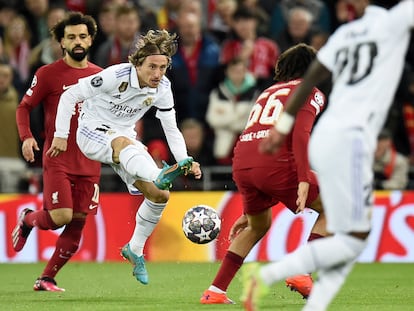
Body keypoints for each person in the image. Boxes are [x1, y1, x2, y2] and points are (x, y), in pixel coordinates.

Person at [243, 1, 414, 311]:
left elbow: (310, 78)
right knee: (353, 236)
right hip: (353, 137)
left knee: (353, 235)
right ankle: (273, 273)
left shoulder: (346, 33)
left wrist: (281, 127)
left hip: (328, 136)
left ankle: (310, 298)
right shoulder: (398, 19)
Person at [49, 29, 202, 285]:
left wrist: (185, 158)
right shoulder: (114, 76)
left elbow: (171, 126)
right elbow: (69, 95)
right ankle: (159, 174)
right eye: (152, 67)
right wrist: (61, 134)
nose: (157, 74)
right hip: (91, 131)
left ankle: (135, 249)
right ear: (137, 63)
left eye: (163, 67)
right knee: (125, 147)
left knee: (159, 194)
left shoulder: (163, 87)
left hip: (125, 140)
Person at [200, 43, 327, 304]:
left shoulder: (267, 91)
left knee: (258, 225)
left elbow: (257, 131)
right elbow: (301, 135)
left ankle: (215, 291)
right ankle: (302, 273)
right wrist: (303, 177)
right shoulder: (310, 91)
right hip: (276, 162)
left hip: (243, 163)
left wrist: (249, 209)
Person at [12, 12, 102, 292]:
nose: (77, 41)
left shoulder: (101, 77)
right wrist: (26, 138)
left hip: (90, 161)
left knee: (77, 224)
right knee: (60, 217)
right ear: (61, 42)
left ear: (90, 40)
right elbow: (24, 107)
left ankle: (47, 278)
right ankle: (28, 218)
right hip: (58, 158)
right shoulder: (48, 74)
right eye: (71, 37)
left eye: (82, 36)